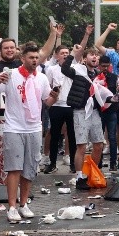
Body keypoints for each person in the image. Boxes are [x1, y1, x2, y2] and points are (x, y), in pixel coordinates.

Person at [0, 44, 57, 221]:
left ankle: (24, 204)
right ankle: (12, 207)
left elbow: (47, 102)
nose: (35, 60)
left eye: (37, 58)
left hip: (35, 127)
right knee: (14, 168)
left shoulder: (42, 78)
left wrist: (55, 96)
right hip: (14, 127)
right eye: (31, 58)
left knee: (29, 168)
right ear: (23, 58)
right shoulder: (11, 75)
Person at [59, 45, 112, 190]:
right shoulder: (78, 72)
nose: (94, 57)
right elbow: (64, 69)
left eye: (96, 55)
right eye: (91, 55)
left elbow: (103, 93)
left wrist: (111, 98)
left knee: (99, 144)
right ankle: (79, 176)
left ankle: (91, 171)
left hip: (94, 111)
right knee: (81, 145)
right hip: (80, 111)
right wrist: (73, 53)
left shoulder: (99, 75)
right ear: (84, 58)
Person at [43, 45, 75, 174]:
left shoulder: (74, 69)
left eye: (67, 53)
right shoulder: (51, 69)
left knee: (72, 135)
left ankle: (73, 162)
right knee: (55, 134)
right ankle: (52, 163)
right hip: (56, 105)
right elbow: (48, 86)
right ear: (57, 55)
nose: (65, 55)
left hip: (71, 105)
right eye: (62, 53)